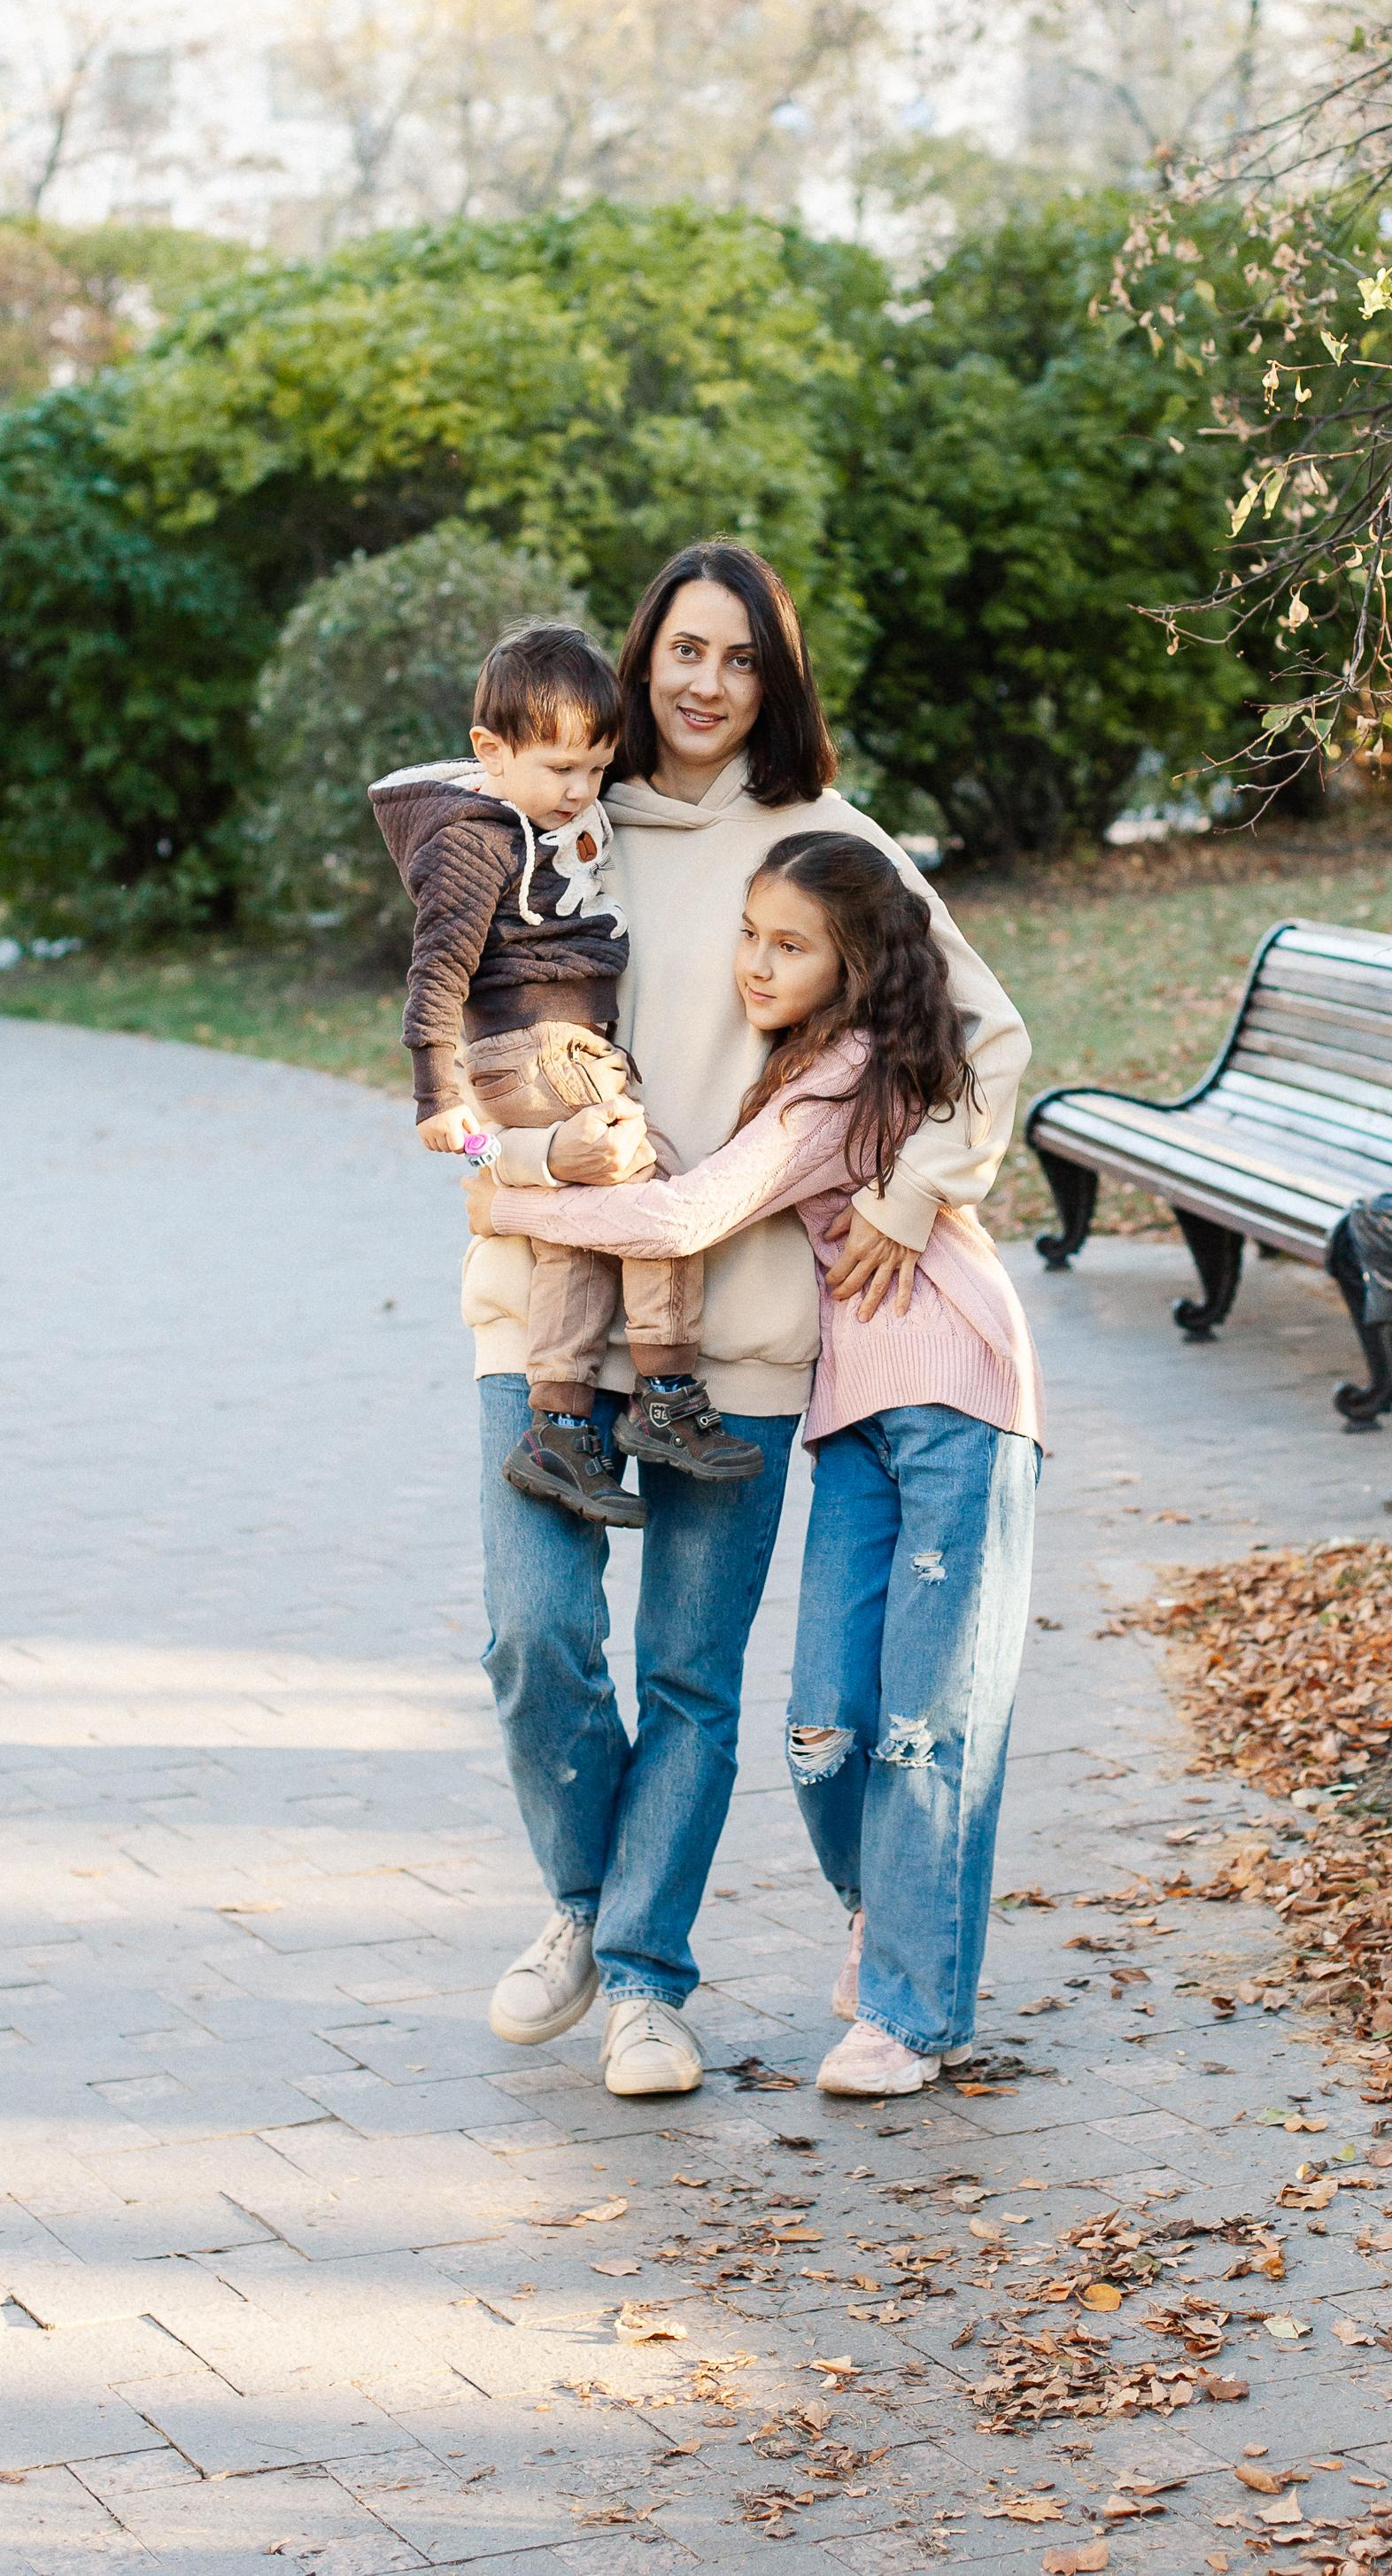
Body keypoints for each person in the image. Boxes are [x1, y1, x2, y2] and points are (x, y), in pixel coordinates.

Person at [462, 541, 1028, 2100]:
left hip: (751, 1332)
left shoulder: (825, 837)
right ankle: (582, 1903)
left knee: (693, 1680)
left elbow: (985, 1030)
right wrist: (518, 1169)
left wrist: (918, 1193)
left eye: (741, 660)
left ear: (774, 685)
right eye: (684, 652)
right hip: (550, 1315)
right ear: (638, 660)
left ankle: (645, 1978)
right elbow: (454, 1057)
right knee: (533, 1634)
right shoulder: (550, 828)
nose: (706, 685)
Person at [371, 622, 761, 1522]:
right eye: (559, 770)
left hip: (553, 1046)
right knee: (651, 1180)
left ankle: (557, 1427)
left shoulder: (535, 808)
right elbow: (436, 966)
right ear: (489, 751)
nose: (580, 791)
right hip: (540, 1044)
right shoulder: (473, 840)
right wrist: (437, 1091)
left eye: (594, 768)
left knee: (580, 1229)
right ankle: (664, 1395)